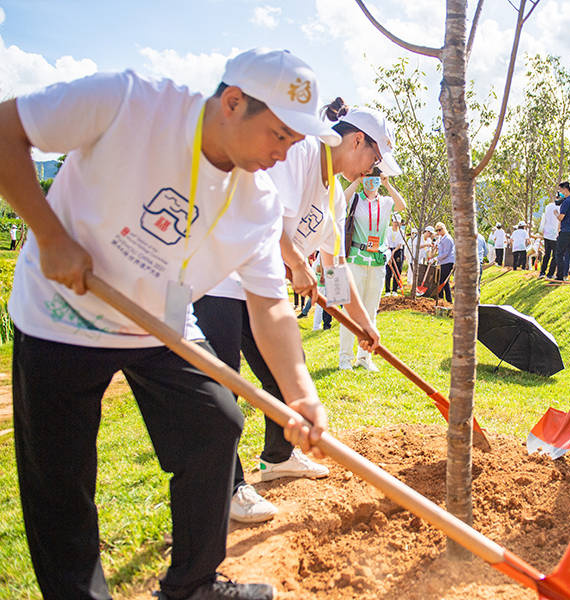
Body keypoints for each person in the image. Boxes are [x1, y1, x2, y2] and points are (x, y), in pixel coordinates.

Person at [0, 48, 336, 600]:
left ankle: (193, 587)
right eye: (278, 136)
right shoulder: (127, 102)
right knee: (60, 479)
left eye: (294, 143)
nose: (283, 154)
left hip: (159, 324)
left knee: (215, 423)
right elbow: (6, 130)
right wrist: (49, 234)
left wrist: (301, 394)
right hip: (63, 313)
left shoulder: (258, 202)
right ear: (232, 102)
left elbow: (271, 304)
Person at [194, 98, 391, 522]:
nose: (371, 170)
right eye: (374, 159)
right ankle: (228, 489)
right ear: (357, 140)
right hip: (223, 281)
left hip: (262, 291)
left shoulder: (335, 194)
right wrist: (297, 265)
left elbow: (334, 266)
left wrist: (362, 321)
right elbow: (268, 224)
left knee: (286, 375)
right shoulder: (298, 153)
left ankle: (277, 458)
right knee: (224, 389)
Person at [339, 171, 406, 370]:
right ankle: (345, 358)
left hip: (377, 260)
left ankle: (364, 358)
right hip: (356, 258)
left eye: (375, 178)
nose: (372, 181)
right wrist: (357, 180)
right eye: (368, 177)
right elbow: (340, 201)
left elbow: (401, 205)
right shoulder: (356, 199)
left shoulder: (385, 202)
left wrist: (387, 184)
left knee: (370, 311)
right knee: (349, 310)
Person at [554, 181, 570, 282]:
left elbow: (561, 217)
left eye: (560, 190)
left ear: (565, 189)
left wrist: (556, 214)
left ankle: (560, 276)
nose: (560, 192)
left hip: (566, 231)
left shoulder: (566, 201)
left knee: (560, 253)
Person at [539, 198, 560, 278]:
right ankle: (550, 274)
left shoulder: (548, 206)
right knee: (555, 255)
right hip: (555, 234)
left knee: (547, 254)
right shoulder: (561, 207)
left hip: (546, 233)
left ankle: (542, 272)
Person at [384, 214, 405, 296]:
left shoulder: (401, 232)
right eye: (395, 222)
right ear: (392, 222)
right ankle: (387, 291)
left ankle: (395, 290)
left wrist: (394, 251)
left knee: (397, 270)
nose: (396, 224)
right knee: (388, 270)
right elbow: (385, 241)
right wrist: (389, 250)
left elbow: (400, 244)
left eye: (398, 222)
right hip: (388, 249)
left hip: (398, 251)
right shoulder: (387, 230)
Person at [434, 221, 454, 302]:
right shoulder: (441, 238)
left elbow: (446, 253)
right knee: (441, 281)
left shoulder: (448, 239)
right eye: (437, 230)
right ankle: (442, 299)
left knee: (444, 282)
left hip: (448, 262)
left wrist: (436, 258)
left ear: (444, 229)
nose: (438, 232)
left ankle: (448, 300)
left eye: (440, 230)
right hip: (443, 262)